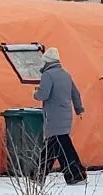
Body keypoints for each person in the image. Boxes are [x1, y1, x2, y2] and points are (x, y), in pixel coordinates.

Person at [33, 47, 87, 185]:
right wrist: (79, 109)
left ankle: (39, 176)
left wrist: (36, 93)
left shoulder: (48, 75)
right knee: (59, 146)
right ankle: (74, 175)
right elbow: (76, 94)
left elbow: (43, 95)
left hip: (53, 116)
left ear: (47, 62)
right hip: (66, 115)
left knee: (54, 145)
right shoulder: (66, 75)